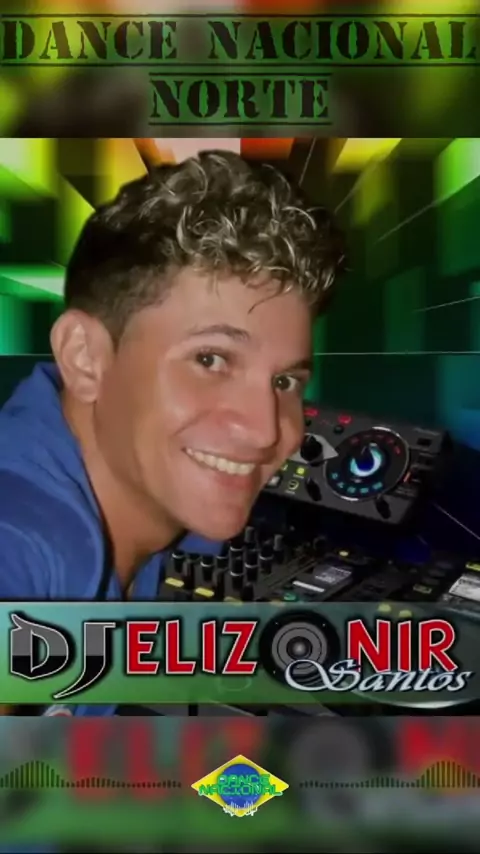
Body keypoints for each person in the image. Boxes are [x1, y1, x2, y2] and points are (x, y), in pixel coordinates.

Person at [0, 150, 345, 716]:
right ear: (85, 357)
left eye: (285, 381)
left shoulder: (158, 508)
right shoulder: (25, 531)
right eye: (210, 359)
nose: (265, 430)